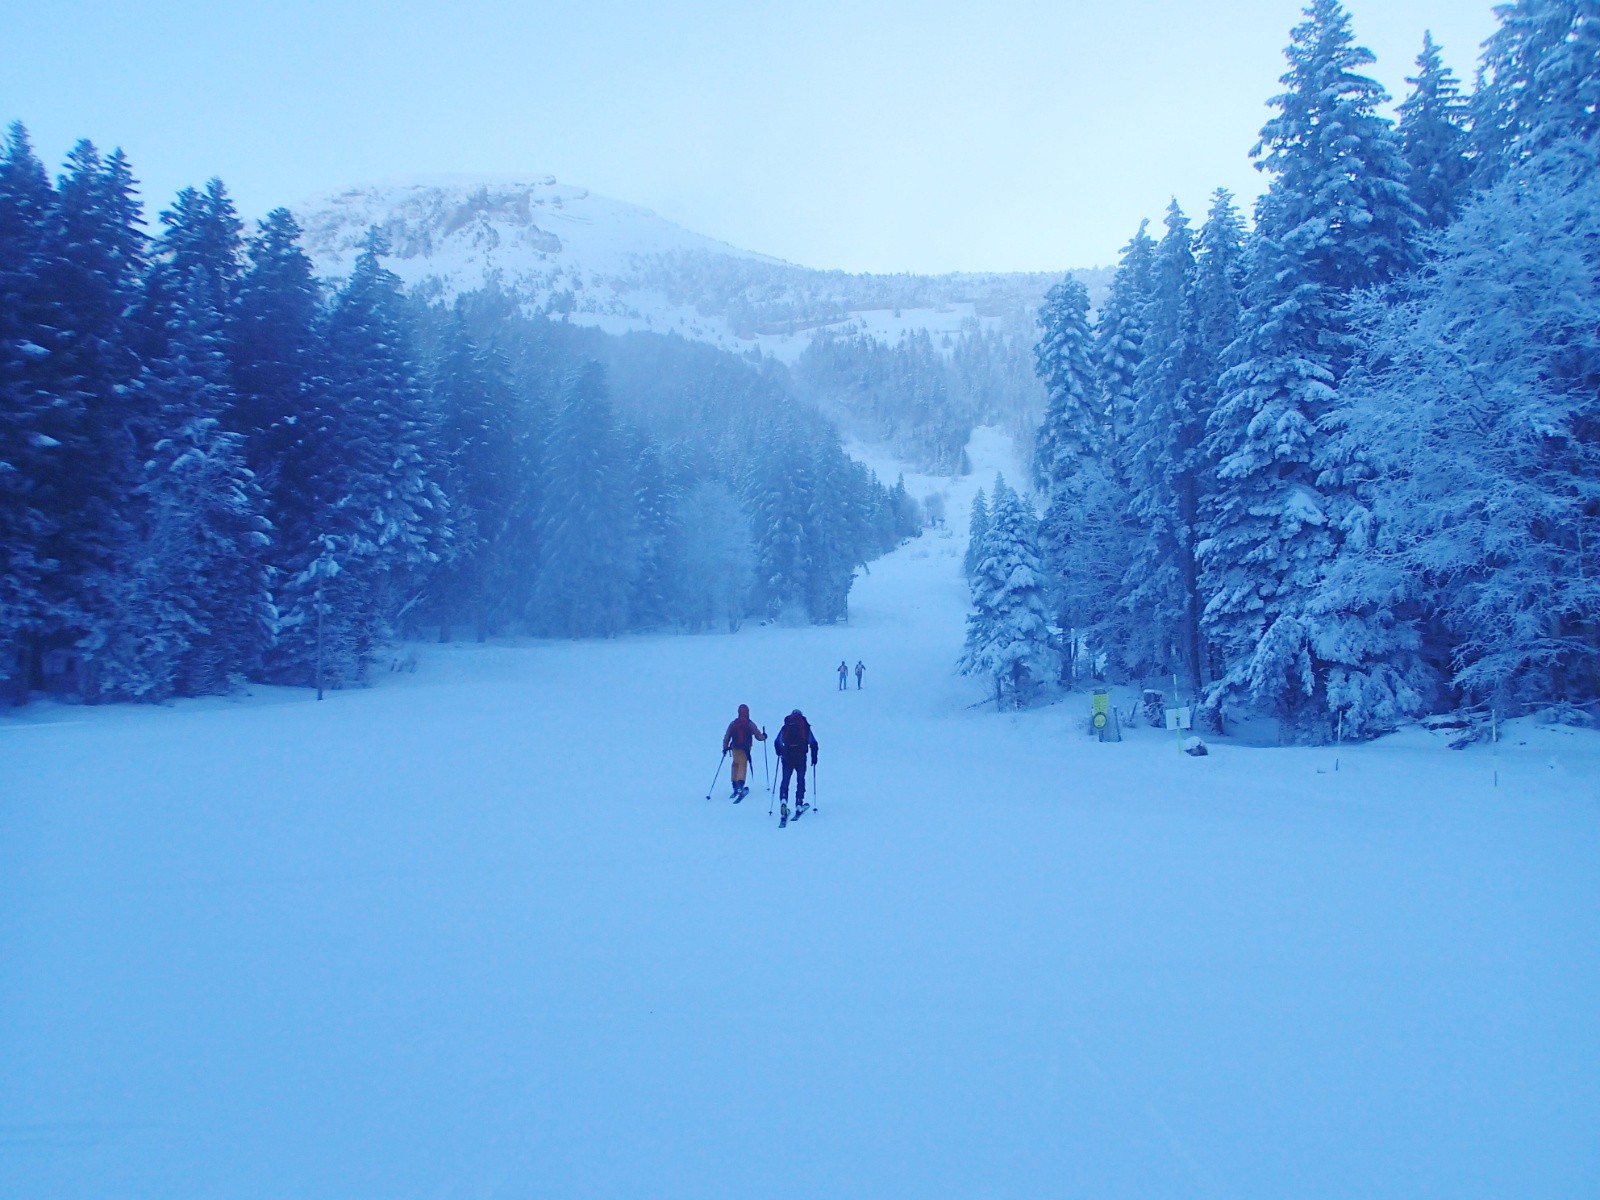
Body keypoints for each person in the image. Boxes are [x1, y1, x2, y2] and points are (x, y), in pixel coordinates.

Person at [774, 708, 818, 817]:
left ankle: (783, 799)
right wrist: (814, 757)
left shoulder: (785, 727)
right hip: (800, 756)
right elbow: (813, 742)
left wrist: (780, 752)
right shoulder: (804, 726)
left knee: (785, 778)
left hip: (787, 755)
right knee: (800, 779)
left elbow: (777, 741)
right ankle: (799, 802)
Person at [722, 703, 766, 801]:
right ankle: (740, 785)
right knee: (742, 765)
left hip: (734, 748)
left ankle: (734, 784)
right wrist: (764, 737)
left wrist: (725, 747)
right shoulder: (749, 723)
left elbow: (727, 735)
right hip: (745, 748)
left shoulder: (733, 723)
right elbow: (758, 736)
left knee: (735, 764)